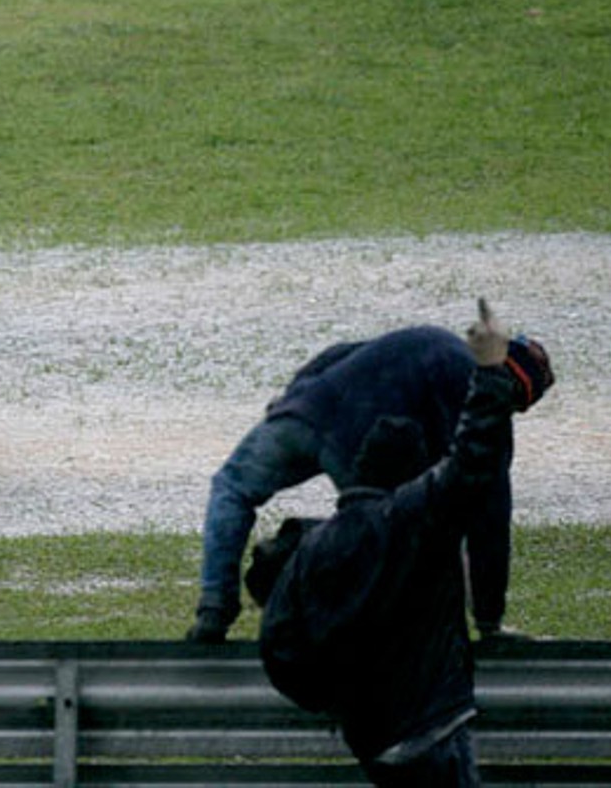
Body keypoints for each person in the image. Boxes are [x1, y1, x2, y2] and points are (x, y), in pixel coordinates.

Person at [243, 302, 555, 788]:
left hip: (372, 738)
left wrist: (334, 697)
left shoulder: (314, 547)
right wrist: (492, 376)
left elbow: (279, 643)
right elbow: (478, 471)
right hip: (433, 729)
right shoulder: (419, 521)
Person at [188, 306, 527, 644]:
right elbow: (488, 512)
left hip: (308, 409)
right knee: (387, 540)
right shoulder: (475, 384)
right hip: (358, 440)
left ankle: (214, 608)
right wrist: (488, 619)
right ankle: (378, 640)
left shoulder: (431, 341)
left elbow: (336, 355)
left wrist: (293, 396)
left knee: (232, 487)